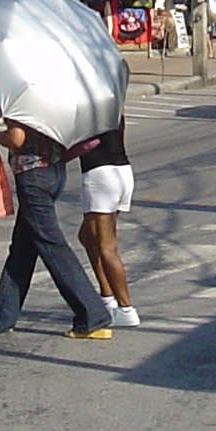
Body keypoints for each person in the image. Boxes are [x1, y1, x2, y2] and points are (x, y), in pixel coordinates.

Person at [0, 119, 112, 339]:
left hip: (33, 176)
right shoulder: (47, 95)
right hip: (55, 171)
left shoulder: (18, 99)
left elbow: (16, 138)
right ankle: (1, 316)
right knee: (22, 249)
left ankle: (92, 314)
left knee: (52, 246)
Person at [76, 125, 138, 328]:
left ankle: (126, 308)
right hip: (122, 170)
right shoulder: (113, 99)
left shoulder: (83, 102)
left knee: (106, 246)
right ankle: (107, 296)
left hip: (99, 173)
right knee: (87, 236)